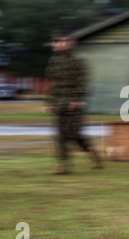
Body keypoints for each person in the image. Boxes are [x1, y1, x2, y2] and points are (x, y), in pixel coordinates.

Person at [42, 36, 102, 174]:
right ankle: (62, 166)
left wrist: (78, 101)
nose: (55, 45)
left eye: (58, 41)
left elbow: (83, 83)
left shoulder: (78, 61)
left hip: (73, 104)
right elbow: (50, 83)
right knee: (60, 135)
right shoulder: (54, 62)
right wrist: (48, 102)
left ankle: (92, 154)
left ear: (69, 44)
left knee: (74, 135)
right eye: (54, 42)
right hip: (59, 104)